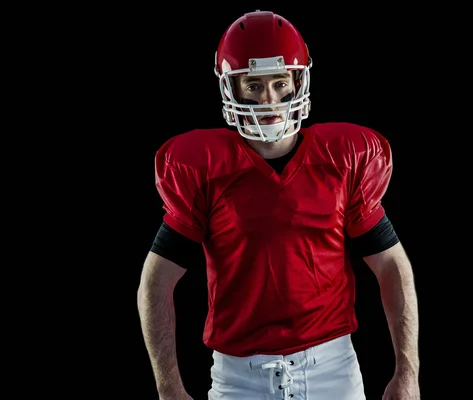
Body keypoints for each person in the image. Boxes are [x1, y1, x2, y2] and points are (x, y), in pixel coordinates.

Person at [137, 10, 420, 400]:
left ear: (297, 82)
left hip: (333, 371)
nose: (268, 99)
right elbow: (156, 280)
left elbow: (390, 264)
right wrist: (169, 387)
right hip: (238, 379)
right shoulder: (204, 167)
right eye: (253, 85)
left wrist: (408, 371)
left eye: (278, 83)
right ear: (231, 89)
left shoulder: (344, 158)